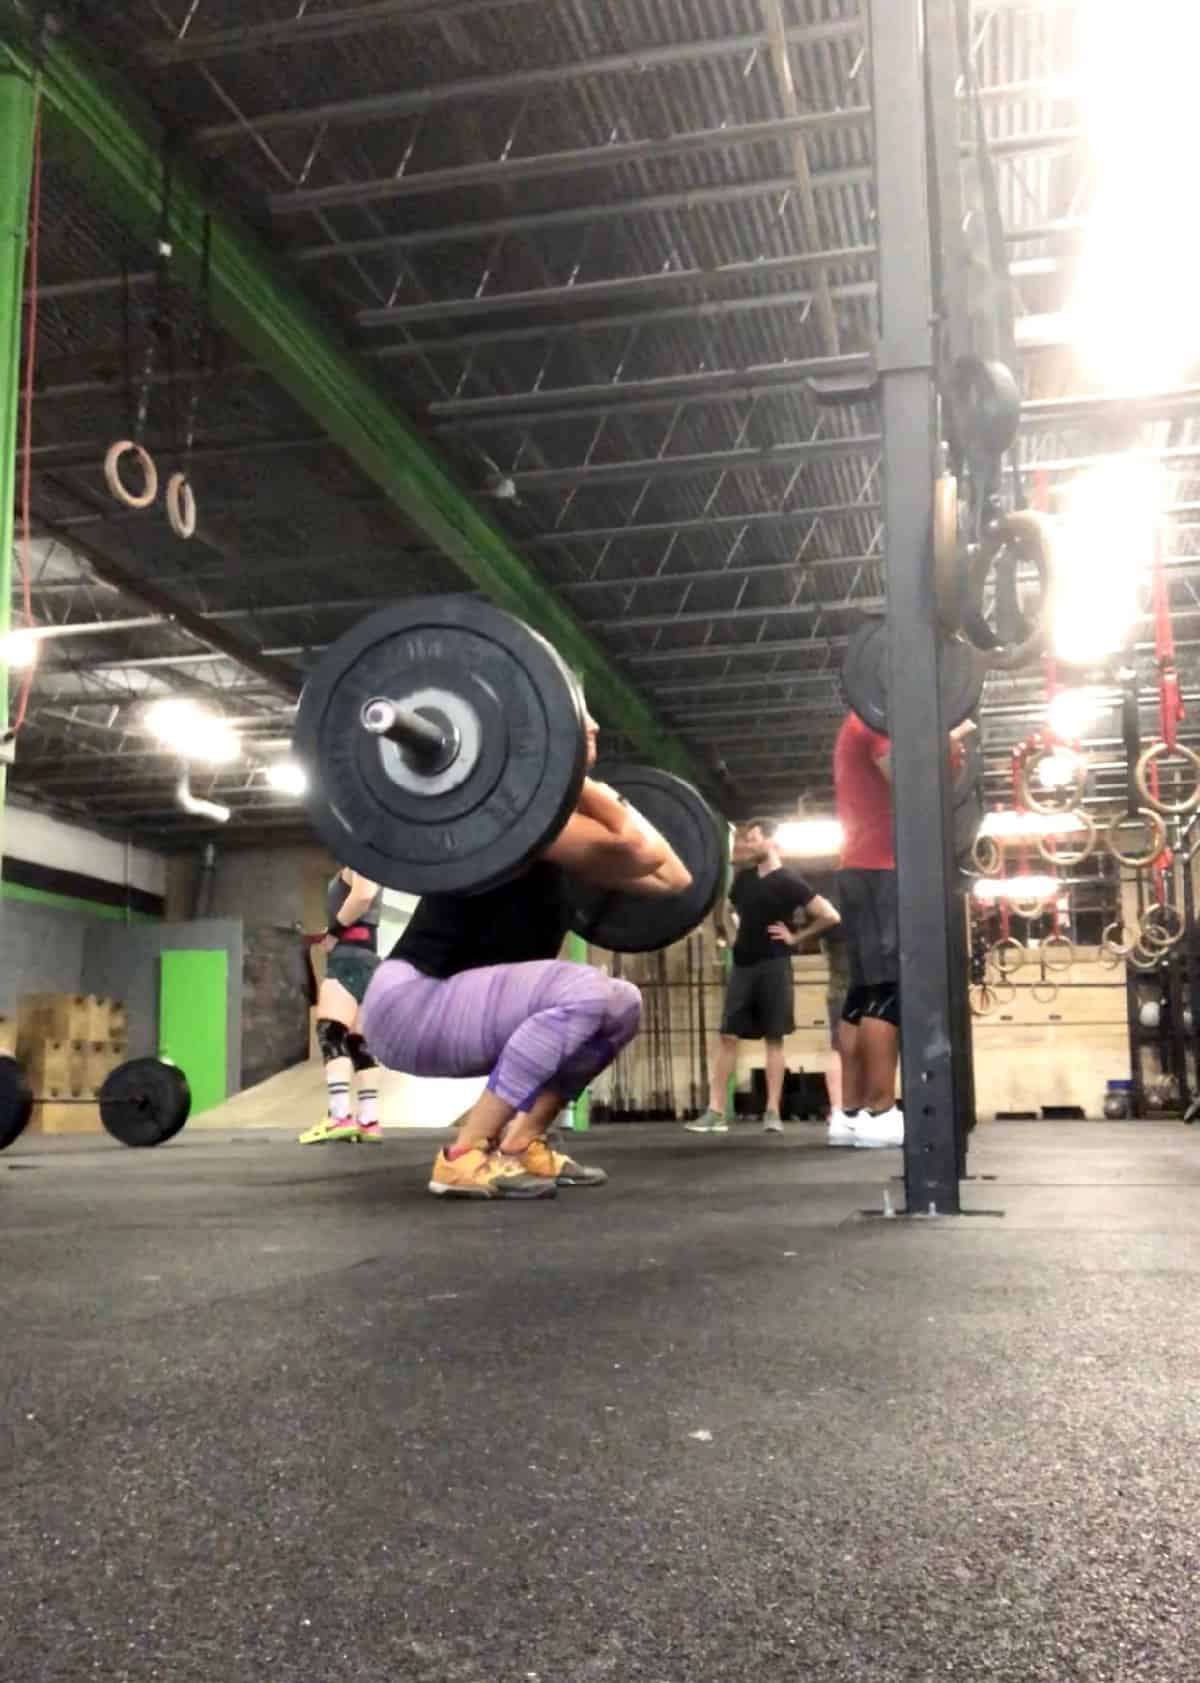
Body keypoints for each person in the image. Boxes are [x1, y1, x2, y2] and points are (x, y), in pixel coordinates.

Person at [360, 712, 693, 1198]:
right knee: (584, 991)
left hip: (464, 1010)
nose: (597, 724)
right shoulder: (516, 819)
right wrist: (573, 777)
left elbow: (675, 879)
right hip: (414, 1004)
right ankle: (464, 1156)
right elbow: (638, 849)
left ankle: (520, 1144)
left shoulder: (558, 836)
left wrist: (577, 781)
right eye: (579, 717)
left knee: (622, 1004)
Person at [830, 711, 973, 1150]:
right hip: (881, 869)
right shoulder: (874, 722)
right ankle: (879, 1110)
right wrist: (946, 742)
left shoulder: (858, 721)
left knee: (862, 991)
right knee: (886, 987)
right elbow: (910, 785)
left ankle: (850, 1114)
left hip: (860, 866)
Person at [686, 818, 839, 1135]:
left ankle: (772, 1111)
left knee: (774, 1037)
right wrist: (731, 936)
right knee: (728, 1035)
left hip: (775, 964)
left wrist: (797, 938)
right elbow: (724, 910)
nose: (749, 844)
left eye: (754, 839)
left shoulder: (789, 881)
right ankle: (715, 1111)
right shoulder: (744, 880)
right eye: (748, 839)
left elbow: (829, 915)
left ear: (771, 842)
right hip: (743, 963)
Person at [300, 866, 386, 1145]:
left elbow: (363, 895)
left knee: (330, 1032)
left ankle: (339, 1116)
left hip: (347, 958)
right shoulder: (373, 858)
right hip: (367, 958)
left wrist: (334, 934)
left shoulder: (358, 858)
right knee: (357, 1042)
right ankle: (368, 1120)